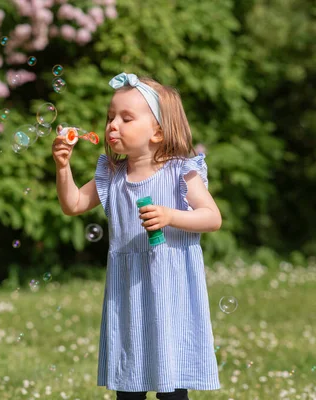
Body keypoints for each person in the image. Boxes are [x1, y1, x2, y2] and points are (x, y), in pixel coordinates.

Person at [52, 72, 222, 400]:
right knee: (129, 384)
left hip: (171, 293)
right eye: (110, 118)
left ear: (157, 131)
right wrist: (63, 168)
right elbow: (72, 204)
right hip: (127, 292)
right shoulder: (112, 175)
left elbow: (212, 217)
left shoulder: (180, 171)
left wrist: (171, 215)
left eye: (126, 118)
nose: (113, 125)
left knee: (172, 387)